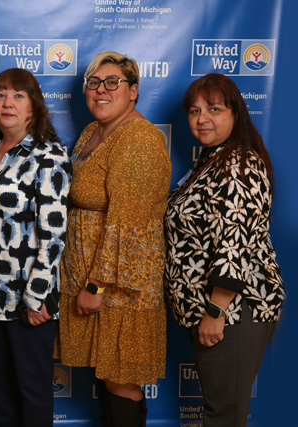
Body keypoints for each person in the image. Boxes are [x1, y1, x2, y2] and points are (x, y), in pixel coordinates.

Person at [54, 51, 171, 426]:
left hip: (119, 288)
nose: (100, 90)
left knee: (121, 380)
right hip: (89, 278)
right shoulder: (93, 132)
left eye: (112, 83)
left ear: (133, 91)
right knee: (107, 376)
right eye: (93, 83)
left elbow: (127, 224)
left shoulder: (139, 138)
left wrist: (96, 285)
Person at [164, 73, 285, 426]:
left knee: (224, 416)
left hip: (232, 311)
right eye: (194, 110)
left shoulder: (239, 165)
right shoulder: (213, 160)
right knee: (220, 411)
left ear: (235, 113)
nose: (202, 118)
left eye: (214, 109)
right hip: (213, 309)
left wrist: (216, 312)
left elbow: (236, 244)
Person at [0, 68, 71, 427]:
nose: (7, 102)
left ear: (34, 107)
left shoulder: (49, 156)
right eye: (0, 95)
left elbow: (54, 233)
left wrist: (37, 296)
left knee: (32, 391)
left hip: (29, 299)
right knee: (1, 393)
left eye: (18, 96)